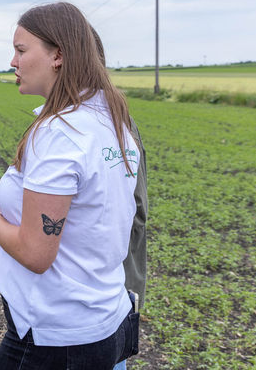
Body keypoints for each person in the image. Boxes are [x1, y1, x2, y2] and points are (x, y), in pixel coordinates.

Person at [0, 2, 140, 368]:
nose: (12, 61)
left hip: (55, 337)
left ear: (58, 55)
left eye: (21, 50)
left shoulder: (60, 133)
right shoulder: (110, 120)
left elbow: (37, 254)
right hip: (104, 318)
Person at [90, 28, 148, 370]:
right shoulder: (114, 118)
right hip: (111, 292)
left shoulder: (111, 125)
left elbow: (133, 212)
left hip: (101, 298)